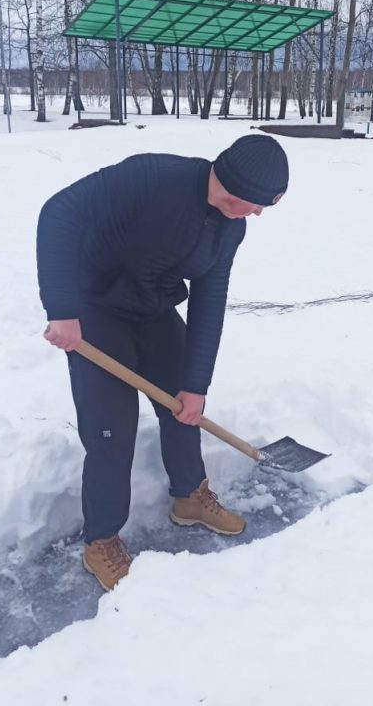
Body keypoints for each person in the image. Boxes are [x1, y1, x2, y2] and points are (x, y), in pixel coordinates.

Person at [37, 133, 289, 591]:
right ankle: (101, 540)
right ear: (227, 178)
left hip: (152, 309)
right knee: (111, 431)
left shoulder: (230, 226)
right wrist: (62, 308)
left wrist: (197, 384)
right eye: (251, 202)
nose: (254, 213)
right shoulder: (153, 177)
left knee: (184, 407)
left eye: (261, 207)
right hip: (95, 309)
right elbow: (60, 213)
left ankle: (190, 497)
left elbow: (210, 301)